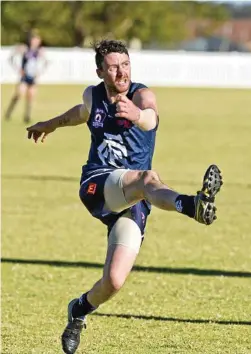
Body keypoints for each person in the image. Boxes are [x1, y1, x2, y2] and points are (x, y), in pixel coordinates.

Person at [26, 40, 223, 354]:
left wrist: (137, 115)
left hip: (133, 198)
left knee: (114, 281)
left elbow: (152, 119)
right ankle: (191, 205)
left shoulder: (142, 96)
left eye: (126, 65)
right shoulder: (94, 94)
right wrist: (50, 124)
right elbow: (81, 113)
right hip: (97, 184)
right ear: (100, 71)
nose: (121, 72)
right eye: (114, 67)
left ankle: (77, 311)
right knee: (147, 179)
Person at [5, 30, 48, 123]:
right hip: (24, 76)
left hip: (33, 77)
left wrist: (39, 72)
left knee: (31, 96)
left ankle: (27, 116)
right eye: (34, 39)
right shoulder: (24, 48)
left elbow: (46, 62)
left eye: (38, 40)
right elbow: (11, 58)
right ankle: (9, 112)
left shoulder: (39, 51)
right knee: (19, 94)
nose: (36, 41)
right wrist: (19, 69)